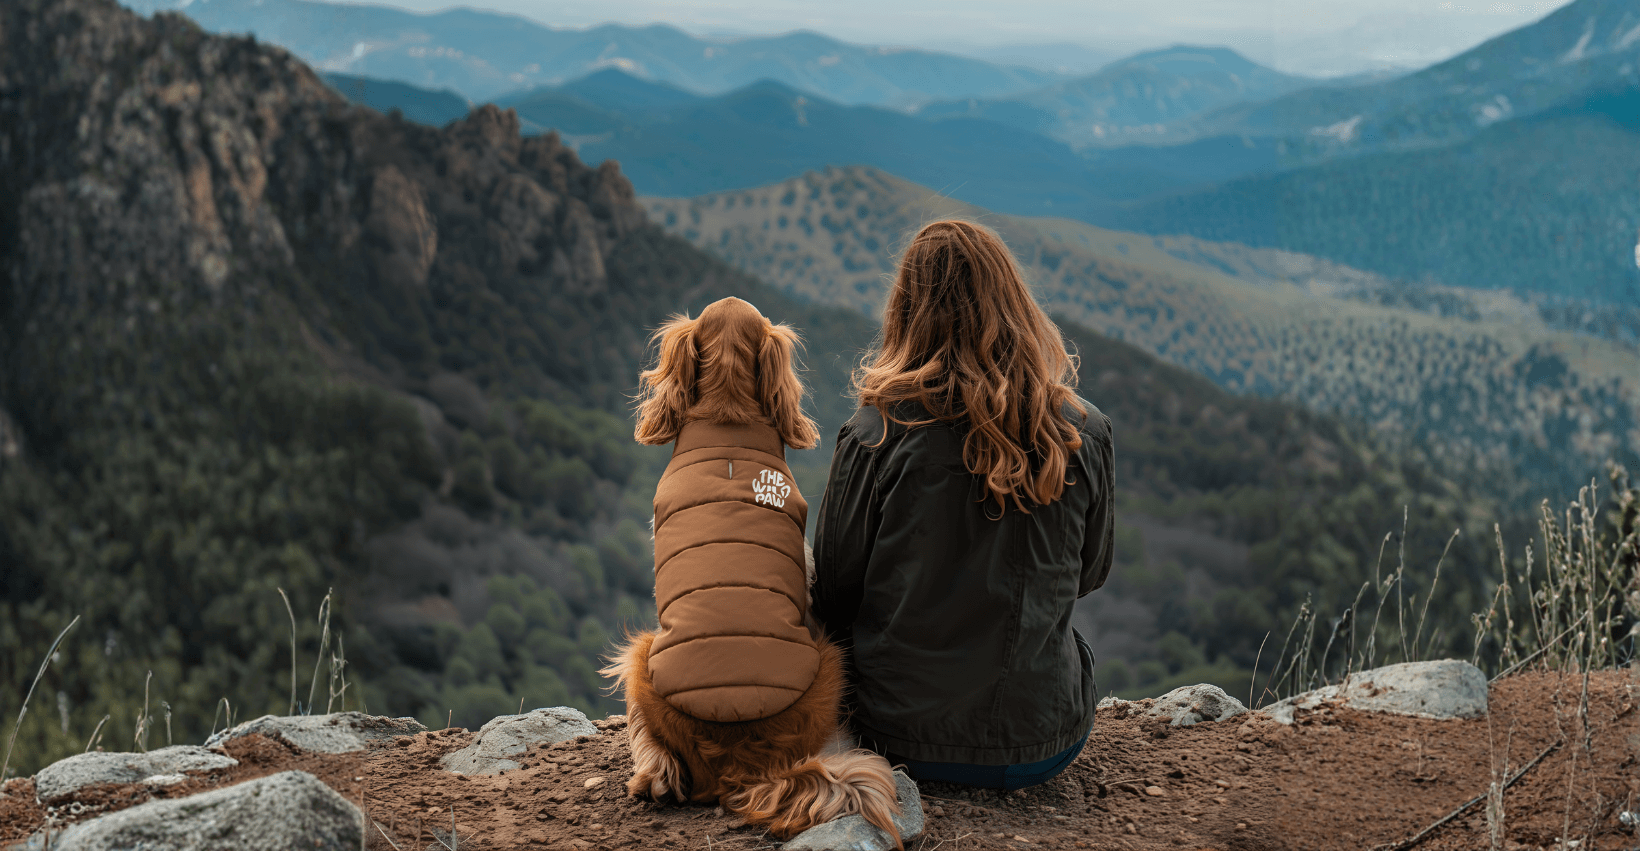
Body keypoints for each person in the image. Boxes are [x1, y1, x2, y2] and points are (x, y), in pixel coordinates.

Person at [811, 219, 1115, 791]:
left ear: (907, 312)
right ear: (1015, 302)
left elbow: (833, 590)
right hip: (1046, 741)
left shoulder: (876, 432)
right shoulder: (1084, 431)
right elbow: (1088, 574)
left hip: (898, 740)